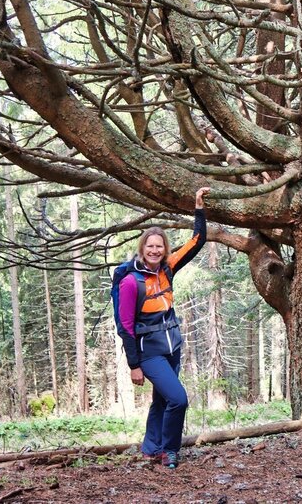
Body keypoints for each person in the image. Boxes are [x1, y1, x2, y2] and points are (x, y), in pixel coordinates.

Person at [113, 187, 210, 468]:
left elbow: (197, 241)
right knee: (178, 399)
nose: (155, 251)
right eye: (150, 246)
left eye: (159, 246)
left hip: (173, 348)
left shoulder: (168, 268)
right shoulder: (131, 281)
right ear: (142, 249)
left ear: (164, 249)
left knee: (160, 400)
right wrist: (134, 364)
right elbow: (126, 326)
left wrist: (199, 206)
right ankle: (170, 450)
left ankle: (151, 448)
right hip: (149, 352)